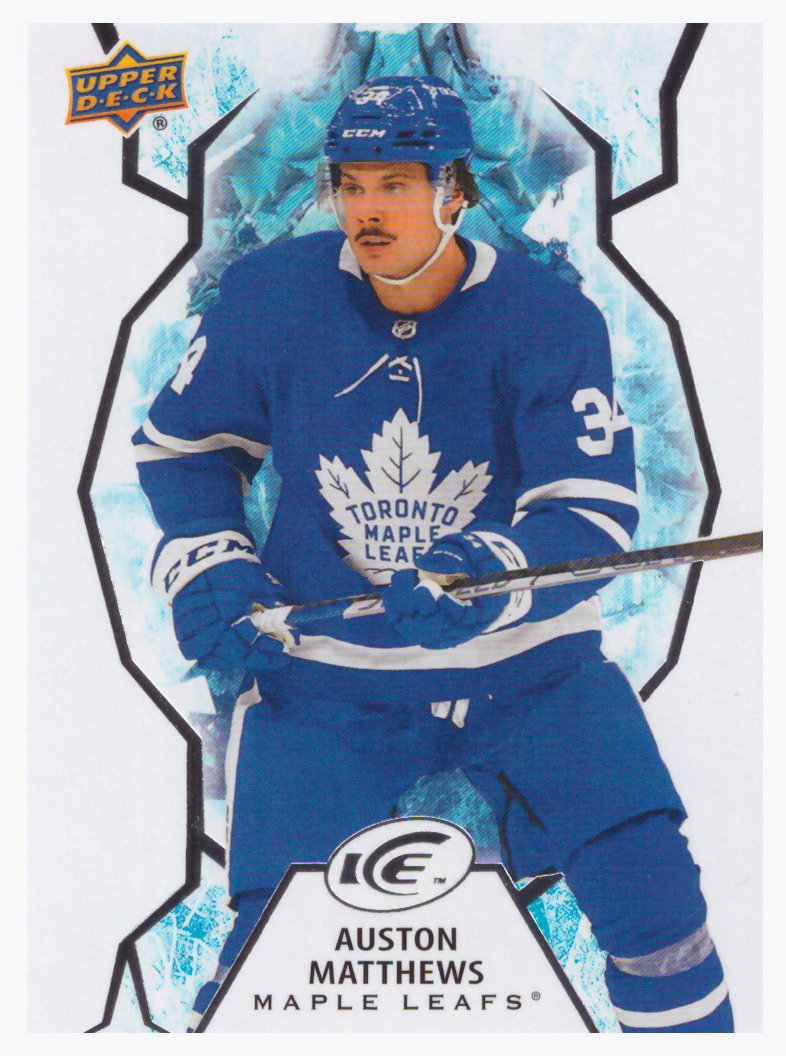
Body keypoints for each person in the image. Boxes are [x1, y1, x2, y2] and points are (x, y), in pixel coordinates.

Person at [133, 76, 733, 1032]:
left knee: (657, 909)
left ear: (456, 191)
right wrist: (211, 560)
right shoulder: (271, 295)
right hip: (328, 680)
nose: (367, 211)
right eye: (351, 185)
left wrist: (487, 571)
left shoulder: (548, 315)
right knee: (268, 961)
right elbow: (185, 450)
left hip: (533, 672)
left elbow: (590, 507)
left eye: (397, 185)